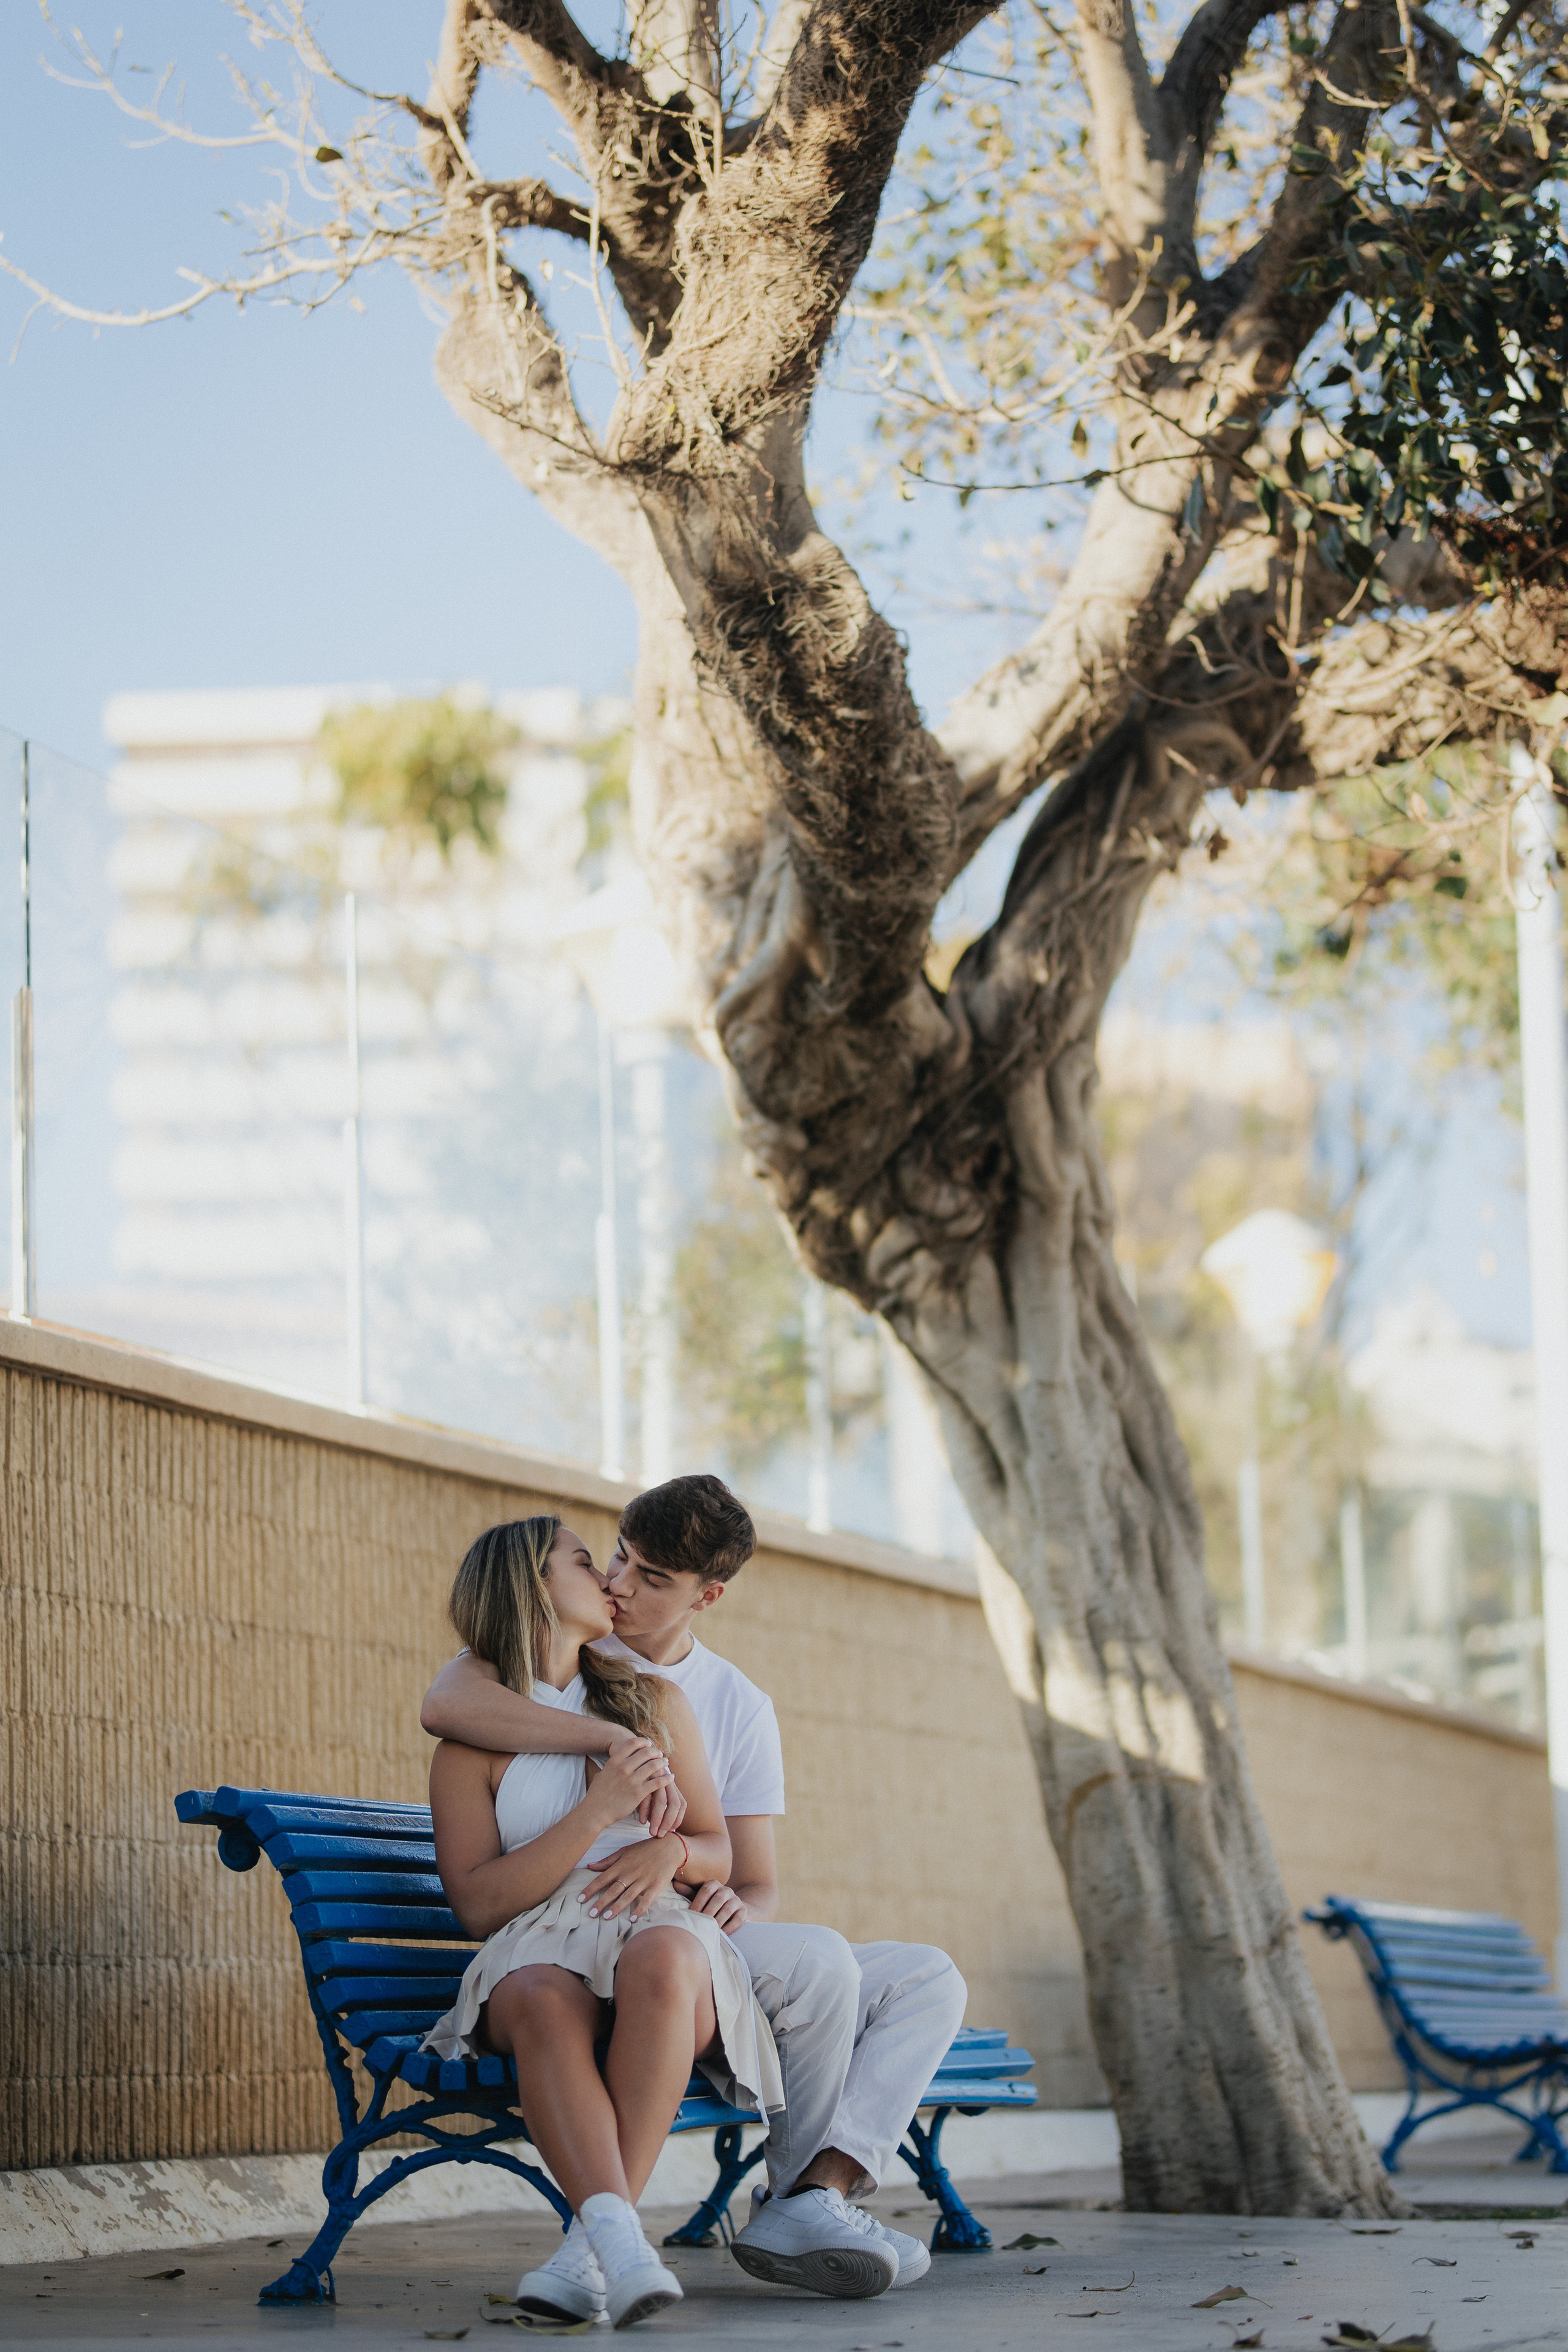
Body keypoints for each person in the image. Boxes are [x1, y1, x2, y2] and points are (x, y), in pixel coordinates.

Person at [422, 1472, 968, 2304]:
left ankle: (810, 2195)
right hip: (567, 1937)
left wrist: (675, 1858)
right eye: (609, 1558)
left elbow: (745, 1870)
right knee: (781, 1963)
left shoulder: (712, 1703)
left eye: (649, 1577)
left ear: (705, 1597)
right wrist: (608, 1761)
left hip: (680, 1921)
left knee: (907, 1974)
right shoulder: (499, 1695)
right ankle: (754, 2215)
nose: (617, 1582)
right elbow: (449, 1712)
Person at [420, 1514, 783, 2330]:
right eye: (587, 1562)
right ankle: (616, 2246)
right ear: (533, 1590)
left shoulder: (653, 1700)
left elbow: (717, 1848)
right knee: (542, 2001)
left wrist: (669, 1858)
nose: (613, 1579)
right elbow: (478, 1905)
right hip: (537, 1935)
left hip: (654, 1923)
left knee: (665, 1960)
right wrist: (598, 1812)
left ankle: (591, 2250)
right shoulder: (474, 1734)